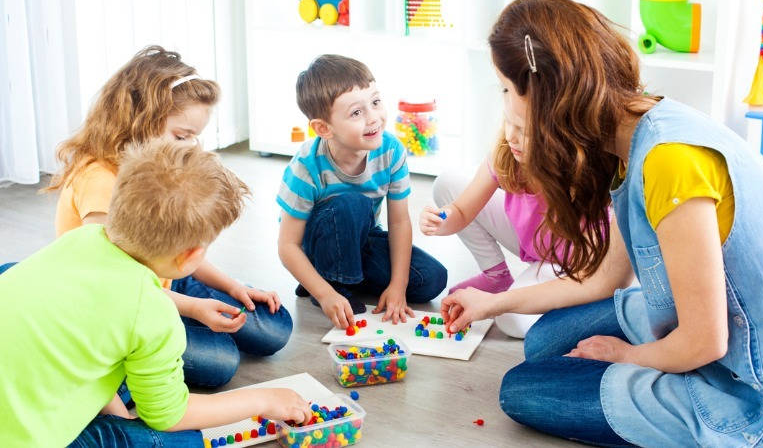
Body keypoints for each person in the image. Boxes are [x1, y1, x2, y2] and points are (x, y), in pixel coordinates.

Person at [440, 0, 763, 446]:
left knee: (522, 390)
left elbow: (706, 342)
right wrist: (492, 304)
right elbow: (602, 280)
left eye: (508, 90)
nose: (507, 107)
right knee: (544, 342)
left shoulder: (670, 162)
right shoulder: (629, 131)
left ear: (549, 97)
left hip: (754, 377)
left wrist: (627, 356)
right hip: (706, 323)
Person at [0, 141, 312, 448]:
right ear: (190, 257)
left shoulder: (82, 238)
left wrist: (117, 416)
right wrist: (263, 399)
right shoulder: (152, 312)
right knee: (184, 440)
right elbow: (168, 416)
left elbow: (78, 345)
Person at [44, 46, 292, 388]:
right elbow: (119, 286)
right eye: (182, 136)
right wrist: (193, 308)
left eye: (195, 137)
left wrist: (232, 287)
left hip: (162, 280)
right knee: (222, 361)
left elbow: (177, 253)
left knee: (275, 327)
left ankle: (186, 324)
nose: (191, 147)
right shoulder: (100, 181)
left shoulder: (159, 169)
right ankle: (125, 364)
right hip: (118, 305)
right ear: (138, 120)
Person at [277, 54, 447, 329]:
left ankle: (336, 275)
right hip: (315, 243)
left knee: (431, 278)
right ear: (323, 128)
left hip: (362, 237)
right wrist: (326, 295)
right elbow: (287, 246)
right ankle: (332, 283)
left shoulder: (391, 151)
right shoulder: (306, 167)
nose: (374, 118)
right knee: (350, 204)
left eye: (376, 102)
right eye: (357, 113)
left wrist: (398, 285)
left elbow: (399, 221)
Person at [420, 128, 568, 338]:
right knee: (447, 183)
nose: (513, 138)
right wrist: (440, 221)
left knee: (510, 322)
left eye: (525, 131)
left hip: (567, 263)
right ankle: (496, 276)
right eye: (511, 125)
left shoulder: (574, 170)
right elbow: (461, 211)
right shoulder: (507, 151)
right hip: (532, 239)